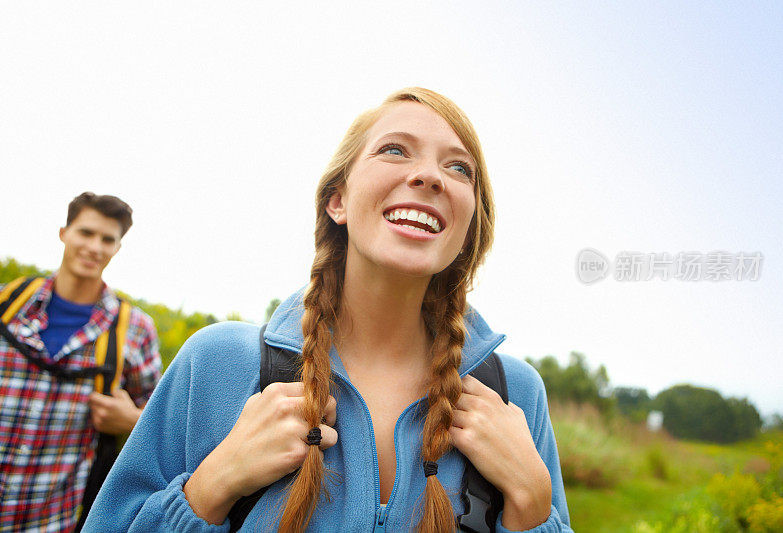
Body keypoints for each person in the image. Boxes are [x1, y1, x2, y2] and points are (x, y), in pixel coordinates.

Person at [85, 88, 573, 532]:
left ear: (468, 224)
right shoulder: (215, 363)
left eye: (459, 168)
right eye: (394, 150)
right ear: (337, 201)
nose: (428, 175)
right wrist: (211, 487)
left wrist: (533, 505)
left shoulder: (516, 395)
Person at [0, 192, 162, 532]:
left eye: (108, 239)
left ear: (117, 248)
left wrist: (131, 420)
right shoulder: (6, 304)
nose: (95, 247)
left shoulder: (134, 329)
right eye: (86, 233)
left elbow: (162, 422)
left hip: (53, 519)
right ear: (64, 233)